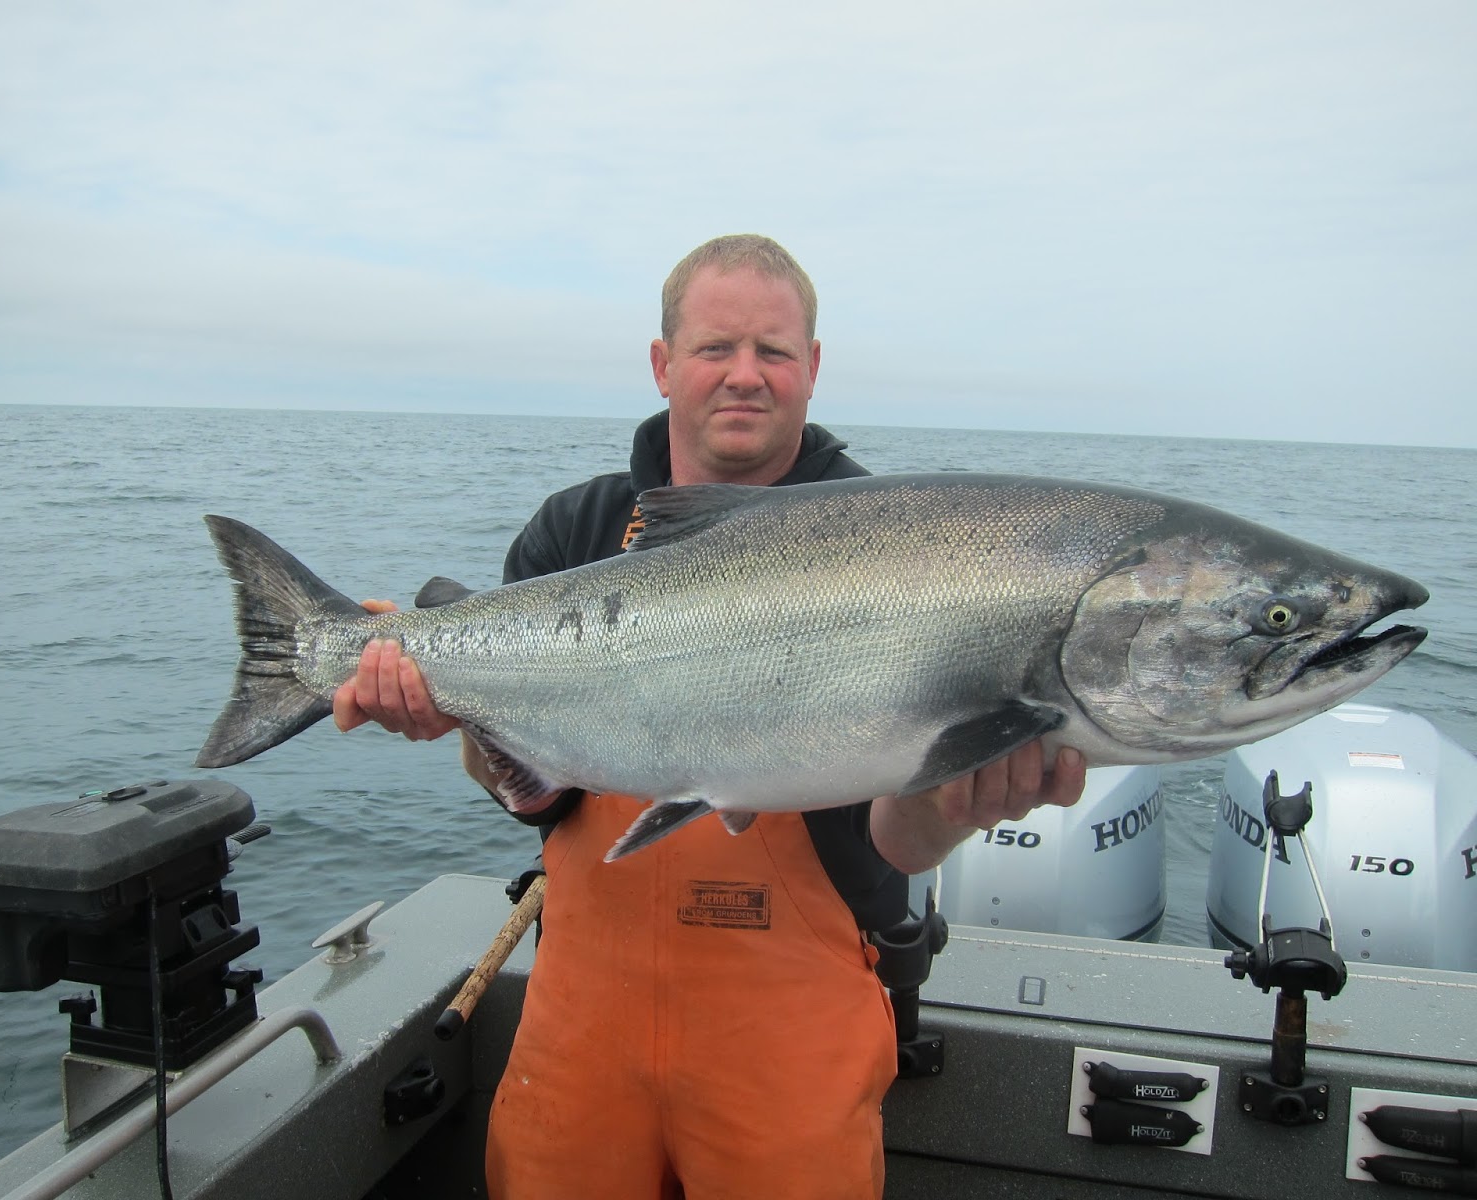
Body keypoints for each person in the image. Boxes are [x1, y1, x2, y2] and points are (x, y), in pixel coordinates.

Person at [334, 235, 1088, 1199]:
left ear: (813, 368)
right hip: (580, 1023)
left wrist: (965, 798)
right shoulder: (575, 530)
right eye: (714, 348)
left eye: (774, 351)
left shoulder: (905, 547)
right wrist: (454, 715)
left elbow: (899, 846)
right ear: (662, 365)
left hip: (788, 1034)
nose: (746, 375)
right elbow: (529, 795)